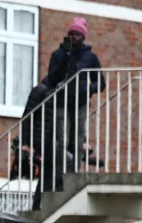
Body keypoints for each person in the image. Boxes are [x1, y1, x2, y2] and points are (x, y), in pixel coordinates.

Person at [41, 18, 105, 194]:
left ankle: (74, 176)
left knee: (77, 141)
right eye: (72, 34)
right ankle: (62, 178)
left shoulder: (90, 57)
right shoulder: (58, 55)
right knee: (62, 141)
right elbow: (51, 80)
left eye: (78, 34)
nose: (75, 37)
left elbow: (101, 83)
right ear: (68, 35)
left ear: (83, 37)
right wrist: (65, 60)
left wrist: (87, 89)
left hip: (80, 104)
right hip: (62, 103)